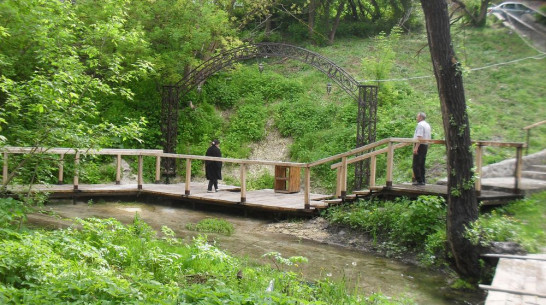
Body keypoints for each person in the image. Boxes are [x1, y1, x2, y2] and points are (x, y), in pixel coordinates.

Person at [412, 112, 431, 186]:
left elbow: (419, 137)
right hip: (425, 145)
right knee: (422, 163)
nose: (416, 118)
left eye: (417, 117)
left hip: (420, 145)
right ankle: (423, 180)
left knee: (416, 164)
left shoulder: (420, 125)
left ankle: (419, 181)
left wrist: (416, 147)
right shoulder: (427, 125)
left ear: (420, 118)